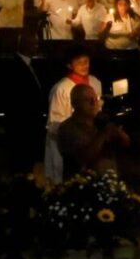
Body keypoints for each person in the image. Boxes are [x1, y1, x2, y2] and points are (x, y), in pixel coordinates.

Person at [44, 48, 103, 182]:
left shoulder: (95, 82)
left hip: (91, 141)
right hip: (68, 144)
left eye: (86, 61)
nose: (84, 66)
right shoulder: (61, 89)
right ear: (70, 65)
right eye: (79, 63)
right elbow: (54, 123)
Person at [57, 82, 130, 179]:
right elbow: (83, 159)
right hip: (82, 186)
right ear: (75, 103)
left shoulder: (102, 121)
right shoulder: (66, 128)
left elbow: (125, 144)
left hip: (108, 183)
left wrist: (118, 131)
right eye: (87, 100)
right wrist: (103, 134)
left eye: (95, 99)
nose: (93, 103)